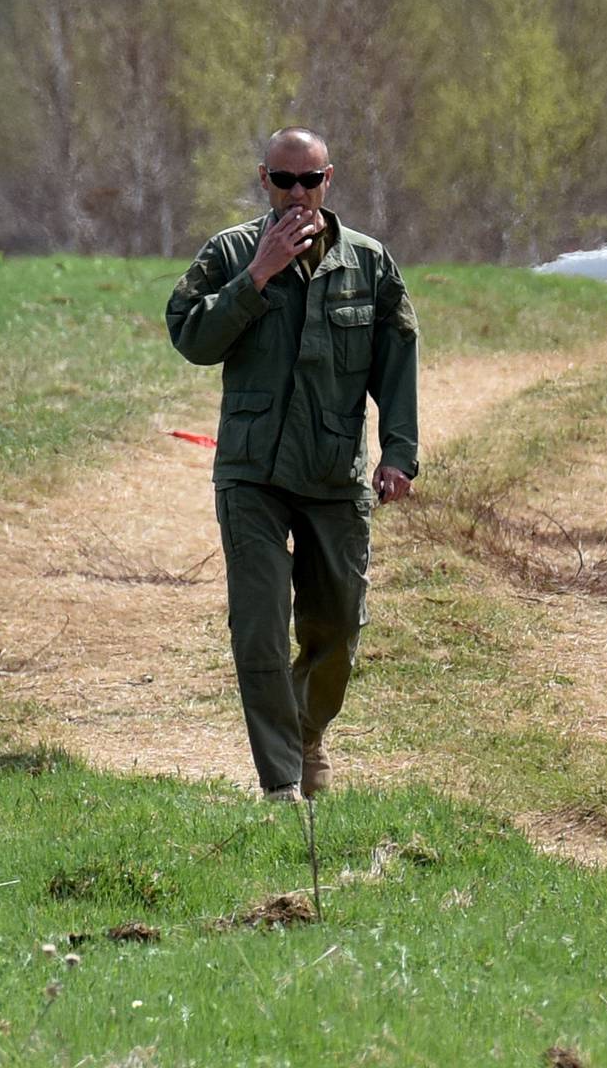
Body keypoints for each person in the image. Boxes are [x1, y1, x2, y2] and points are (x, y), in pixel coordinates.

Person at [166, 126, 419, 803]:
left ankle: (306, 734)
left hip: (334, 475)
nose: (297, 194)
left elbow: (397, 362)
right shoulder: (229, 254)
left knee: (337, 627)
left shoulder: (368, 263)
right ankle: (281, 781)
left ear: (329, 180)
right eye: (284, 181)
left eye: (310, 181)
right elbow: (191, 337)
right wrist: (257, 277)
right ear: (264, 181)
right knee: (259, 628)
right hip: (251, 474)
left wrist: (399, 454)